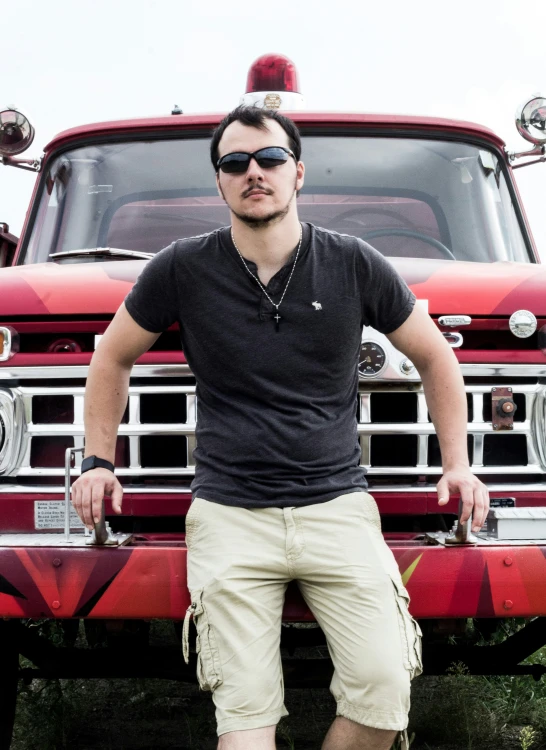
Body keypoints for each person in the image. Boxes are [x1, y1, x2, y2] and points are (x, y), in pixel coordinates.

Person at [71, 105, 490, 750]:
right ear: (220, 182)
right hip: (229, 515)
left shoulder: (353, 262)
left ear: (298, 173)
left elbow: (436, 355)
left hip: (338, 509)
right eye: (234, 163)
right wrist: (99, 462)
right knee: (244, 729)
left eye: (268, 159)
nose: (253, 173)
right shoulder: (181, 267)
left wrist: (457, 463)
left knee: (384, 701)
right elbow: (111, 355)